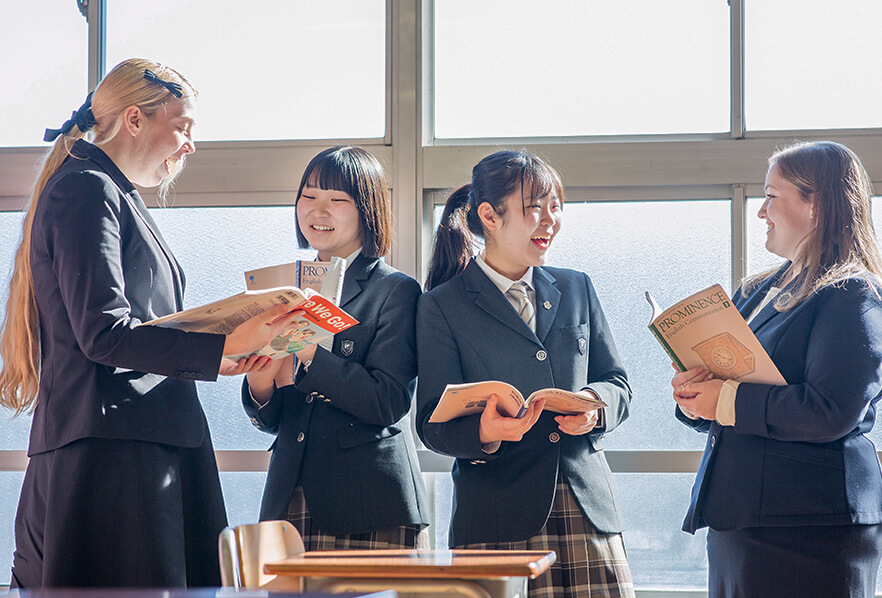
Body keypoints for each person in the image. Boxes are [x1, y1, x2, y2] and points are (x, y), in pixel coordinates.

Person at [0, 58, 303, 588]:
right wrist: (223, 342)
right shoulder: (87, 190)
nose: (190, 145)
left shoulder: (103, 191)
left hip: (130, 446)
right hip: (116, 458)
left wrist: (223, 351)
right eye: (182, 127)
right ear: (135, 120)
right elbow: (104, 334)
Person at [416, 150, 635, 597]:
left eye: (556, 207)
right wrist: (486, 431)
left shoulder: (576, 287)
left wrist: (596, 406)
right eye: (535, 207)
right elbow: (430, 424)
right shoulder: (442, 304)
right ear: (489, 216)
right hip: (496, 516)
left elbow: (618, 383)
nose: (550, 220)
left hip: (586, 507)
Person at [672, 141, 882, 598]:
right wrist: (698, 396)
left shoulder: (850, 292)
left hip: (808, 528)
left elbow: (832, 409)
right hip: (742, 520)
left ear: (818, 203)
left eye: (771, 195)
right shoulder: (757, 289)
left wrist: (725, 400)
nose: (761, 211)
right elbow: (740, 391)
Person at [242, 145, 430, 550]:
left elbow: (389, 402)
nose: (317, 211)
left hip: (369, 501)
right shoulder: (283, 289)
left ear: (367, 209)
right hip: (289, 498)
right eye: (308, 197)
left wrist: (308, 352)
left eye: (336, 200)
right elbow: (277, 420)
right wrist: (261, 386)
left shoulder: (394, 290)